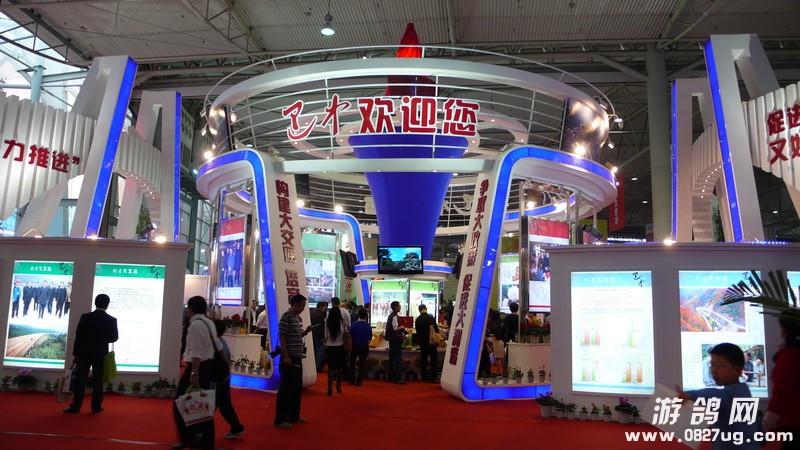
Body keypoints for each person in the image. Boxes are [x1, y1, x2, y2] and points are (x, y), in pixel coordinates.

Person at [676, 343, 760, 450]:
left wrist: (690, 395)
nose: (713, 370)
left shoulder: (728, 395)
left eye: (719, 365)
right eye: (712, 365)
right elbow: (756, 422)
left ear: (737, 370)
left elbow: (711, 395)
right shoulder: (745, 392)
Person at [172, 296, 222, 448]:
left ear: (191, 309)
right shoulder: (208, 322)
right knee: (202, 403)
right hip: (207, 367)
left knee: (180, 402)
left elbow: (196, 352)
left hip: (198, 367)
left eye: (188, 307)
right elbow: (218, 345)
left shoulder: (195, 325)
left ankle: (189, 438)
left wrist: (194, 374)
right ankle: (203, 441)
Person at [63, 293, 119, 414]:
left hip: (83, 354)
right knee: (98, 381)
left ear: (95, 303)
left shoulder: (85, 317)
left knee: (80, 381)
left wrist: (76, 354)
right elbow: (114, 338)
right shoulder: (111, 320)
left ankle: (75, 407)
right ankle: (96, 407)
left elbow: (78, 336)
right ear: (107, 305)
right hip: (100, 354)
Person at [274, 294, 314, 429]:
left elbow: (295, 336)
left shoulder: (296, 318)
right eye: (302, 306)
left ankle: (293, 415)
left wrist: (305, 332)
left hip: (296, 357)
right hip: (290, 358)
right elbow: (282, 337)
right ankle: (280, 419)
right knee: (286, 388)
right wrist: (286, 357)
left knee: (296, 388)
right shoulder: (286, 317)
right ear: (295, 305)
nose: (303, 308)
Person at [762, 313, 800, 449]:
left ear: (784, 330)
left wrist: (767, 422)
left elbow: (782, 392)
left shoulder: (789, 356)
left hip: (795, 423)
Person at [212, 319, 245, 440]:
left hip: (218, 380)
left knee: (220, 405)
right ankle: (236, 426)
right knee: (223, 405)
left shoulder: (216, 344)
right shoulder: (222, 342)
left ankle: (236, 427)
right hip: (224, 378)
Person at [324, 304, 347, 396]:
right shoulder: (343, 323)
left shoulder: (327, 323)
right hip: (340, 347)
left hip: (330, 347)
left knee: (331, 368)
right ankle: (338, 387)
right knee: (339, 367)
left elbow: (325, 336)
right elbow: (345, 334)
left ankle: (329, 388)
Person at [414, 304, 440, 383]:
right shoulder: (431, 318)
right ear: (426, 309)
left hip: (422, 342)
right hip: (431, 342)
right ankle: (433, 377)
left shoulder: (418, 319)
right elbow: (436, 330)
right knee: (433, 360)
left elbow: (417, 332)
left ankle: (424, 377)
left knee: (423, 360)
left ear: (419, 310)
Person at [385, 300, 407, 385]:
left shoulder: (392, 315)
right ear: (395, 307)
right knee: (398, 359)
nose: (400, 307)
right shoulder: (394, 316)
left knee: (392, 358)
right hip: (396, 340)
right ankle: (397, 378)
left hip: (392, 340)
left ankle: (390, 377)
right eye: (399, 306)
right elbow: (395, 328)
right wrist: (402, 327)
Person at [349, 308, 372, 386]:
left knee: (352, 362)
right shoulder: (368, 326)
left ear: (358, 315)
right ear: (366, 316)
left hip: (355, 345)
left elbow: (350, 334)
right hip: (364, 346)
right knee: (362, 363)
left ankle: (351, 379)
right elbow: (370, 337)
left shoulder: (354, 324)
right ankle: (359, 381)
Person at [309, 302, 327, 373]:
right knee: (320, 351)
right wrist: (322, 336)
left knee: (315, 351)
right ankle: (317, 367)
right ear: (322, 307)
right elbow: (321, 327)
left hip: (312, 335)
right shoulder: (321, 315)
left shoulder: (312, 313)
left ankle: (313, 366)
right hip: (318, 336)